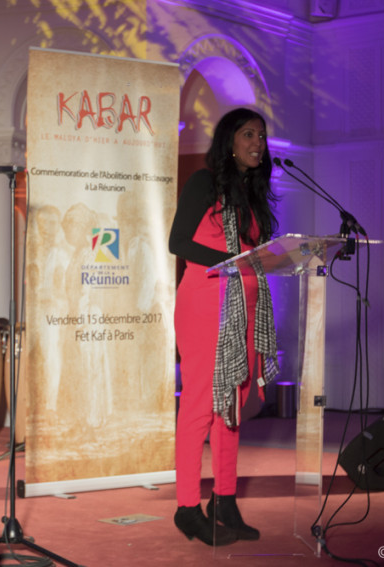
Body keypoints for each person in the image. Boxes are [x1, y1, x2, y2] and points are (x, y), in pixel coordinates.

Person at [169, 107, 280, 546]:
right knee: (199, 403)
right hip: (205, 304)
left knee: (232, 404)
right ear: (230, 141)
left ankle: (226, 498)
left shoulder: (251, 193)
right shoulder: (204, 184)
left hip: (244, 308)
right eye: (250, 134)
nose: (259, 143)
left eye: (263, 136)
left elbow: (255, 252)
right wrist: (235, 262)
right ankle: (185, 506)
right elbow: (178, 242)